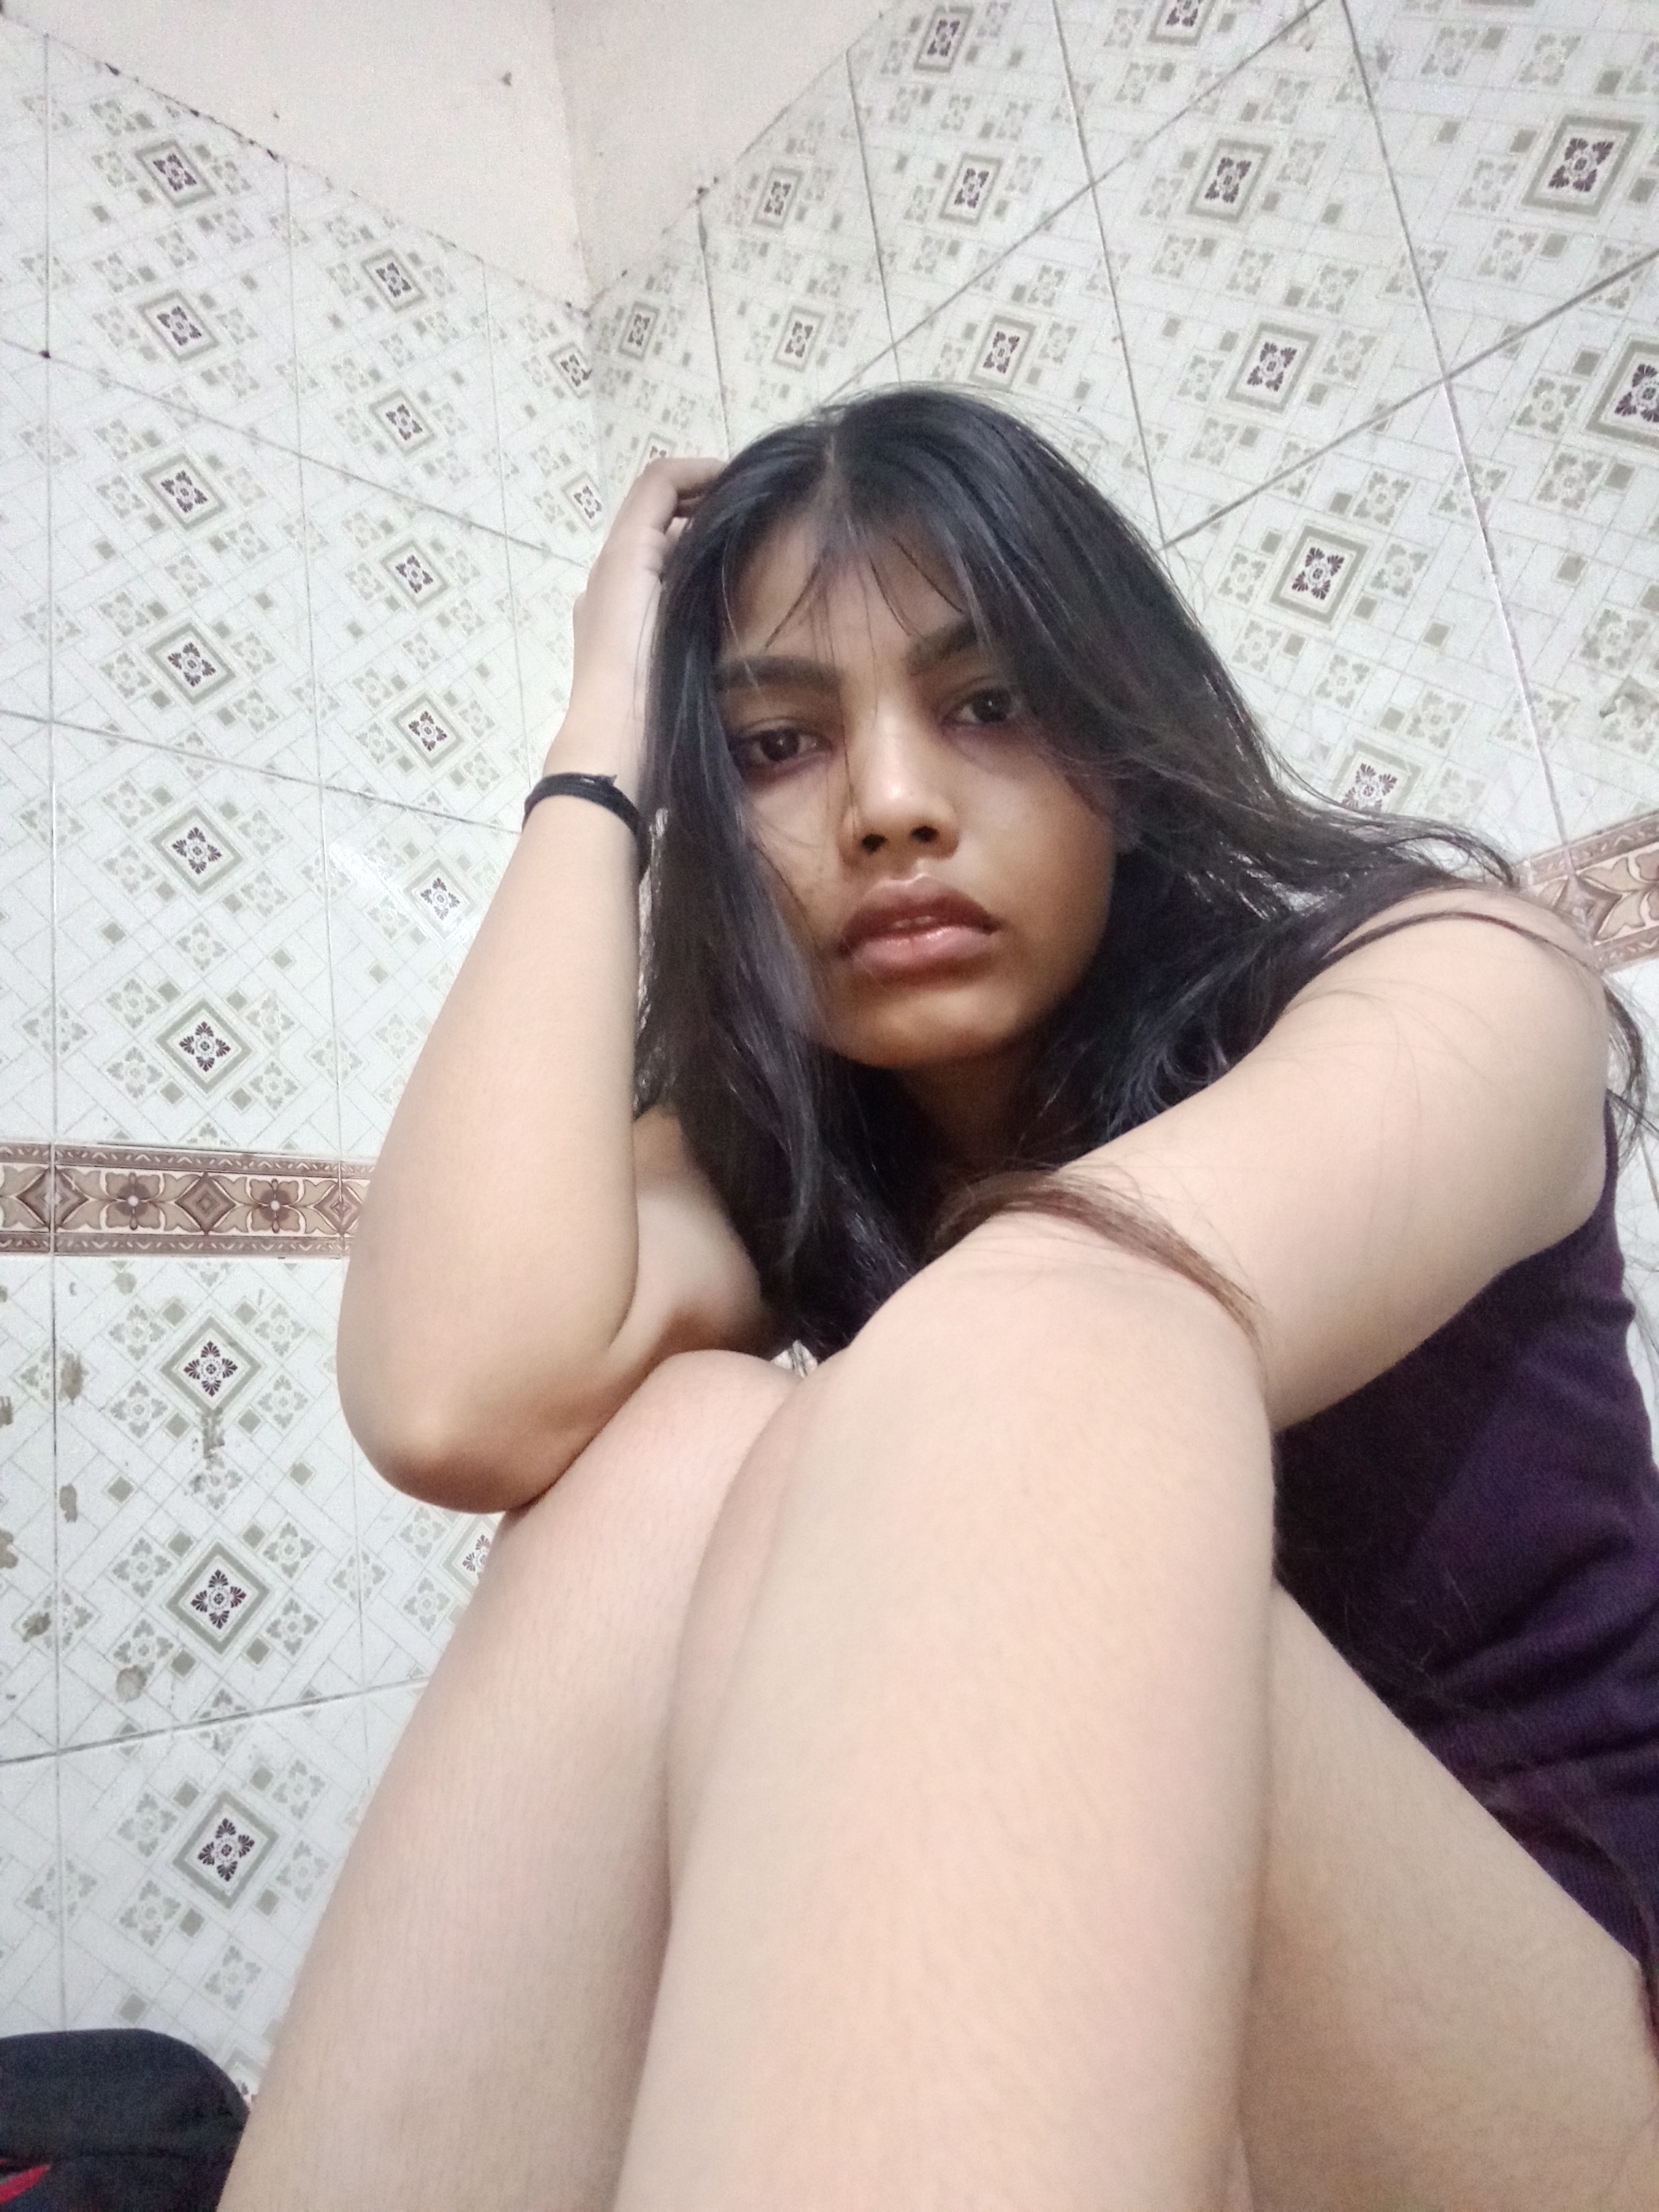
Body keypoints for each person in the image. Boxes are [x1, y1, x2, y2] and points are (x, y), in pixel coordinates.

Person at [221, 389, 1659, 2212]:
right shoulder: (792, 1169)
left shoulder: (1453, 979)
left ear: (1122, 741)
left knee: (1004, 1356)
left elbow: (1063, 1340)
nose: (891, 808)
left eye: (990, 706)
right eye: (773, 747)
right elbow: (453, 1394)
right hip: (1105, 2091)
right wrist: (600, 752)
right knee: (685, 1443)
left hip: (1560, 2074)